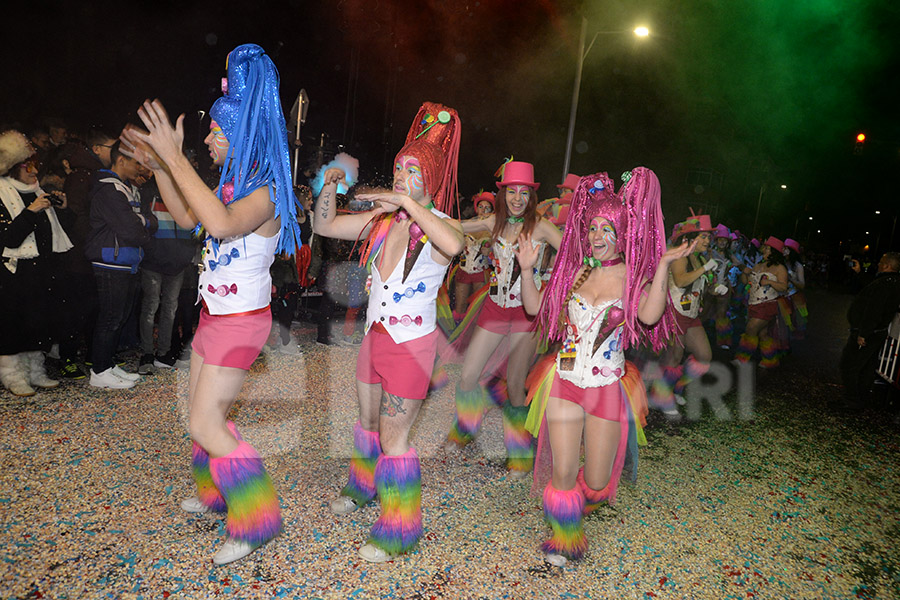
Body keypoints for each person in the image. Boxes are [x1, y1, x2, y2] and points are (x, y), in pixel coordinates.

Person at [120, 43, 301, 564]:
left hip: (241, 323)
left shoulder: (266, 191)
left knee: (205, 423)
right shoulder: (229, 184)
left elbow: (220, 225)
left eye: (216, 133)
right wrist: (160, 166)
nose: (206, 139)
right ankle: (217, 491)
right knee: (203, 415)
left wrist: (176, 158)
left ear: (240, 137)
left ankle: (257, 517)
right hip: (214, 316)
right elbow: (185, 214)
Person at [316, 102, 463, 563]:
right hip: (374, 339)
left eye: (413, 170)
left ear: (431, 181)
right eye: (400, 167)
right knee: (366, 425)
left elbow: (456, 245)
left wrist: (405, 203)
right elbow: (325, 224)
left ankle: (399, 528)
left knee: (394, 439)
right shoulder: (382, 224)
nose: (401, 175)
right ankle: (362, 488)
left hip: (411, 348)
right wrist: (329, 186)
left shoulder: (442, 226)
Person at [518, 169, 688, 566]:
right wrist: (526, 269)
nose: (596, 235)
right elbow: (532, 308)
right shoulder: (574, 271)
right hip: (563, 382)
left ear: (622, 233)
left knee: (595, 483)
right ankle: (564, 538)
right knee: (561, 472)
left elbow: (648, 316)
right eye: (592, 227)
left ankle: (578, 501)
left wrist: (661, 266)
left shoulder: (631, 278)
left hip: (607, 387)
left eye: (606, 228)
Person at [444, 160, 562, 479]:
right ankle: (466, 427)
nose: (518, 198)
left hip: (526, 315)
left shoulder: (540, 226)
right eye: (513, 191)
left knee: (514, 385)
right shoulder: (494, 222)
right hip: (495, 309)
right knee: (468, 376)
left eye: (524, 192)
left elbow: (574, 254)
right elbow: (457, 226)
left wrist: (552, 284)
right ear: (503, 193)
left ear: (531, 196)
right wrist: (423, 213)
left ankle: (519, 456)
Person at [0, 130, 73, 397]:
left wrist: (62, 209)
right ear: (12, 169)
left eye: (36, 166)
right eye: (28, 166)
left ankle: (35, 371)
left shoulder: (38, 191)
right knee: (13, 325)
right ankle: (12, 375)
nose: (34, 172)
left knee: (38, 322)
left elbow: (60, 236)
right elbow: (7, 238)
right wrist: (31, 212)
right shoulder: (1, 193)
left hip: (41, 271)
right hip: (12, 273)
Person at [84, 141, 157, 389]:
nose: (140, 168)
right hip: (110, 262)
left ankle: (107, 364)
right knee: (110, 318)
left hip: (125, 262)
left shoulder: (125, 189)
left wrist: (140, 222)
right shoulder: (109, 189)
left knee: (119, 317)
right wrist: (142, 224)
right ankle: (99, 370)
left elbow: (148, 221)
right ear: (121, 160)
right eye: (136, 162)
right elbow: (129, 228)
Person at [649, 214, 725, 418]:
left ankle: (675, 386)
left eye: (709, 237)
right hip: (674, 311)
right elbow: (681, 281)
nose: (708, 241)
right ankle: (661, 397)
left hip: (691, 314)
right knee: (674, 356)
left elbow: (701, 285)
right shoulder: (679, 255)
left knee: (704, 357)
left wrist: (714, 288)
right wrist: (704, 269)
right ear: (690, 238)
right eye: (704, 237)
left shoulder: (700, 257)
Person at [839, 252, 900, 410]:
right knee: (866, 367)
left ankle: (851, 400)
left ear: (887, 265)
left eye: (881, 262)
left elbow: (874, 310)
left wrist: (863, 333)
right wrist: (859, 273)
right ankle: (860, 398)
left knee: (850, 364)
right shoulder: (890, 281)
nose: (878, 264)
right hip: (876, 332)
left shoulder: (885, 284)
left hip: (869, 332)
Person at [734, 236, 789, 367]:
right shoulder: (758, 265)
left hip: (767, 304)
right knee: (762, 334)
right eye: (764, 247)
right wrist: (745, 273)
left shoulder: (779, 268)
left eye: (767, 248)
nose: (763, 249)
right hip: (753, 303)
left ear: (773, 252)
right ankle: (770, 359)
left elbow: (784, 287)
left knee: (751, 328)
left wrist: (769, 281)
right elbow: (745, 282)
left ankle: (742, 358)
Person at [452, 191, 494, 322]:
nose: (483, 210)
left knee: (477, 308)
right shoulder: (467, 224)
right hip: (464, 270)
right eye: (481, 206)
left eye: (487, 207)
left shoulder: (494, 228)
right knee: (460, 306)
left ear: (492, 211)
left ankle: (474, 335)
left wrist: (490, 251)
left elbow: (501, 250)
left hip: (480, 273)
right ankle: (458, 335)